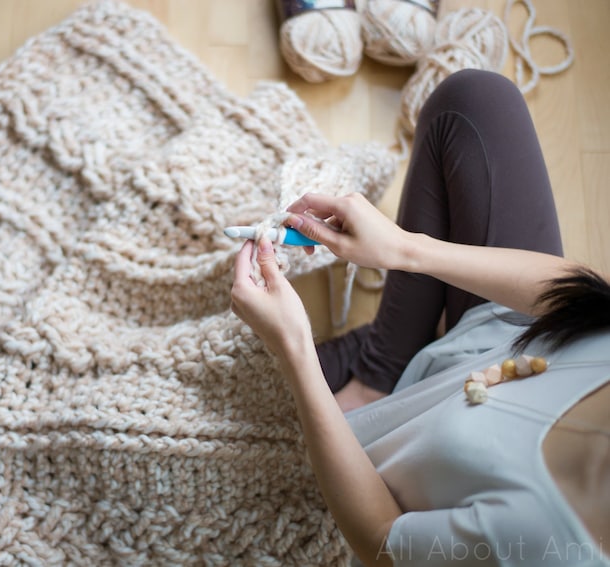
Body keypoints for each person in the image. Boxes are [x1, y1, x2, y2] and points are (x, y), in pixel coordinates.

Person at [230, 69, 610, 566]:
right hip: (513, 333)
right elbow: (579, 299)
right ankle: (379, 370)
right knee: (474, 99)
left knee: (244, 391)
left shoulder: (545, 546)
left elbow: (381, 541)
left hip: (416, 441)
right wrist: (406, 249)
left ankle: (372, 381)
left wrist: (295, 350)